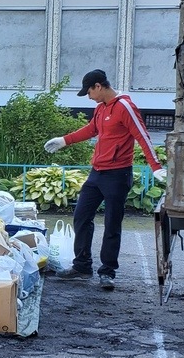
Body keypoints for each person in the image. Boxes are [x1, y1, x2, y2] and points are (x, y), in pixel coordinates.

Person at [44, 69, 162, 290]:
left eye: (89, 92)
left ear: (99, 86)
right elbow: (92, 130)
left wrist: (155, 166)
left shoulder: (125, 107)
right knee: (81, 215)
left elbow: (142, 135)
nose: (88, 97)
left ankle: (107, 272)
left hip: (118, 175)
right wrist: (64, 140)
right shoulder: (101, 109)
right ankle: (82, 266)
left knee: (112, 224)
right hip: (97, 173)